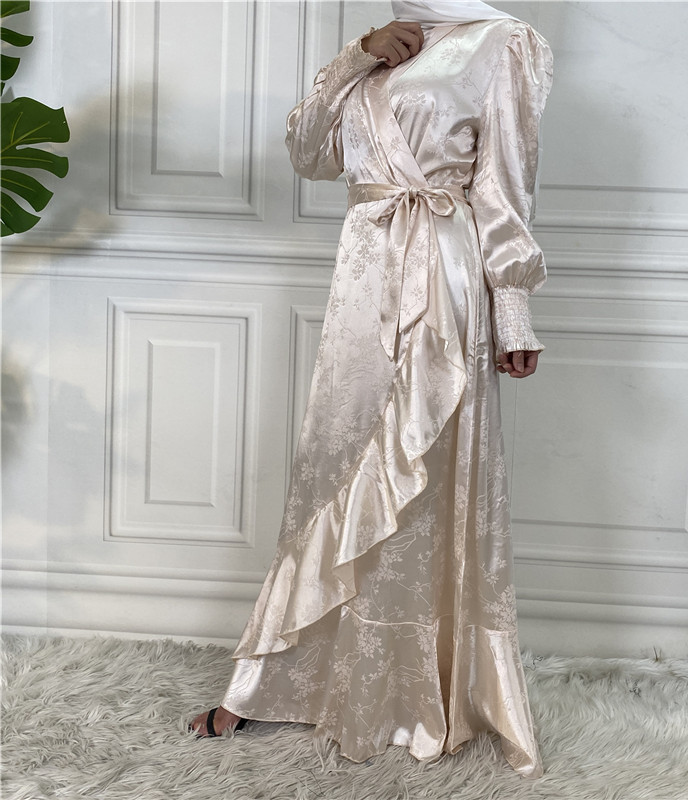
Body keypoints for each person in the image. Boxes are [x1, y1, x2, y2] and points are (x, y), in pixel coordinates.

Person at [191, 0, 554, 778]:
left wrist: (513, 309)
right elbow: (309, 153)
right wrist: (359, 55)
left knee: (423, 479)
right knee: (335, 470)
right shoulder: (382, 47)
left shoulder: (501, 41)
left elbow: (506, 182)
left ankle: (424, 692)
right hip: (362, 284)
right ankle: (292, 678)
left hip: (441, 279)